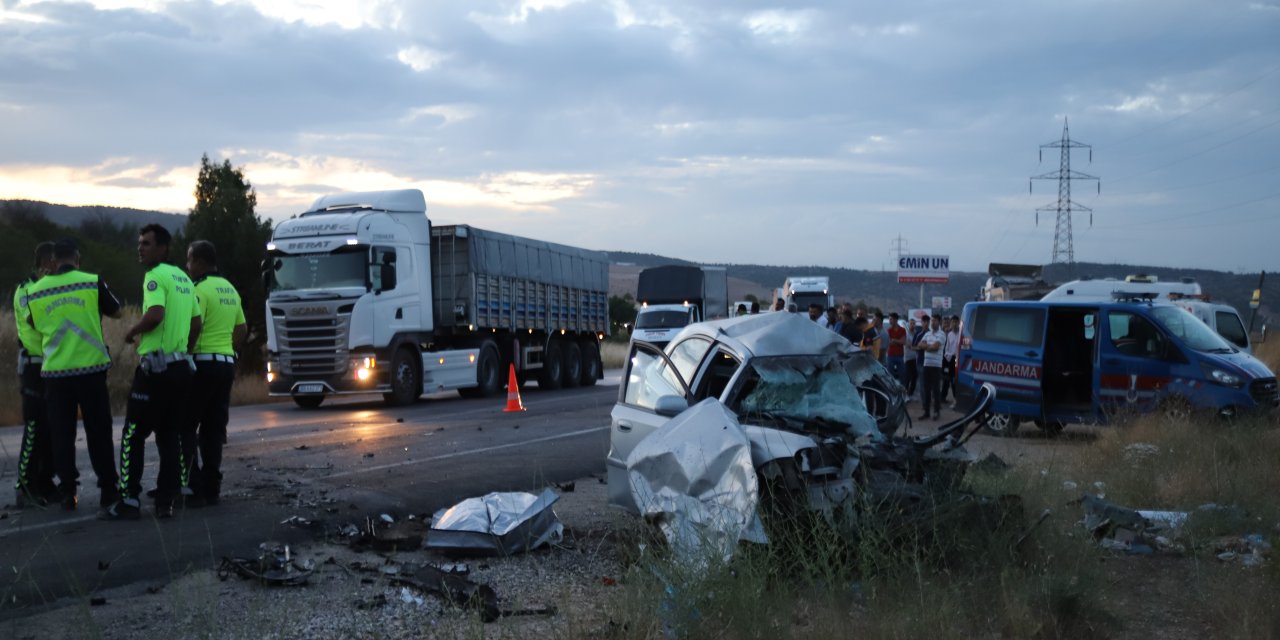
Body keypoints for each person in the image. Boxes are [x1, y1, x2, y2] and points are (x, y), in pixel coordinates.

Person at [102, 224, 201, 520]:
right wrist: (184, 349)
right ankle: (165, 503)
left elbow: (155, 315)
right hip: (181, 368)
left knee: (133, 432)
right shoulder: (183, 278)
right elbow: (196, 324)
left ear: (162, 248)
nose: (140, 248)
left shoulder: (154, 277)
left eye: (146, 243)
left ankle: (129, 500)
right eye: (139, 242)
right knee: (169, 436)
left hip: (155, 370)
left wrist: (133, 330)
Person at [24, 239, 123, 510]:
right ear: (77, 259)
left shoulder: (36, 290)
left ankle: (68, 491)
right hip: (91, 371)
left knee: (62, 434)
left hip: (55, 374)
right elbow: (117, 311)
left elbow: (32, 321)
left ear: (53, 261)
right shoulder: (91, 281)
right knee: (99, 432)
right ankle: (108, 490)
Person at [183, 240, 246, 507]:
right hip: (225, 364)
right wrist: (229, 350)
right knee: (214, 428)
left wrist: (187, 351)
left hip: (202, 363)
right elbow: (242, 329)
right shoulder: (230, 289)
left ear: (199, 262)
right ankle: (212, 488)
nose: (187, 267)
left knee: (186, 425)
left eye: (189, 261)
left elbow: (193, 324)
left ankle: (193, 488)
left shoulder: (198, 290)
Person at [13, 242, 59, 507]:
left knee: (50, 428)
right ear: (46, 262)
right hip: (33, 366)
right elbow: (37, 321)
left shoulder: (46, 289)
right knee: (34, 427)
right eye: (55, 262)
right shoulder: (26, 289)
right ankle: (24, 486)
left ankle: (45, 481)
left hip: (50, 365)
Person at [919, 315, 946, 420]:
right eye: (932, 321)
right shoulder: (927, 334)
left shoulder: (942, 334)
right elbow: (919, 344)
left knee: (935, 390)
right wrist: (928, 347)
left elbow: (935, 347)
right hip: (926, 365)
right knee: (926, 390)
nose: (932, 322)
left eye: (934, 321)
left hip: (936, 366)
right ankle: (926, 412)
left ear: (939, 322)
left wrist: (927, 347)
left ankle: (936, 412)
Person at [940, 315, 960, 408]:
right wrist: (949, 358)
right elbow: (947, 349)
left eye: (956, 322)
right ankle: (955, 400)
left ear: (959, 323)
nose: (954, 324)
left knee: (958, 380)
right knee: (950, 380)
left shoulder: (962, 334)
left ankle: (958, 400)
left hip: (959, 359)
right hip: (951, 360)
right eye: (953, 322)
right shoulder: (949, 335)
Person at [886, 312, 906, 383]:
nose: (889, 321)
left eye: (891, 319)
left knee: (902, 376)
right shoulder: (888, 330)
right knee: (890, 376)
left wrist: (894, 340)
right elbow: (889, 343)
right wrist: (898, 341)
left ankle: (903, 391)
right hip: (890, 355)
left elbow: (903, 342)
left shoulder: (902, 330)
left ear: (895, 320)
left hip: (900, 356)